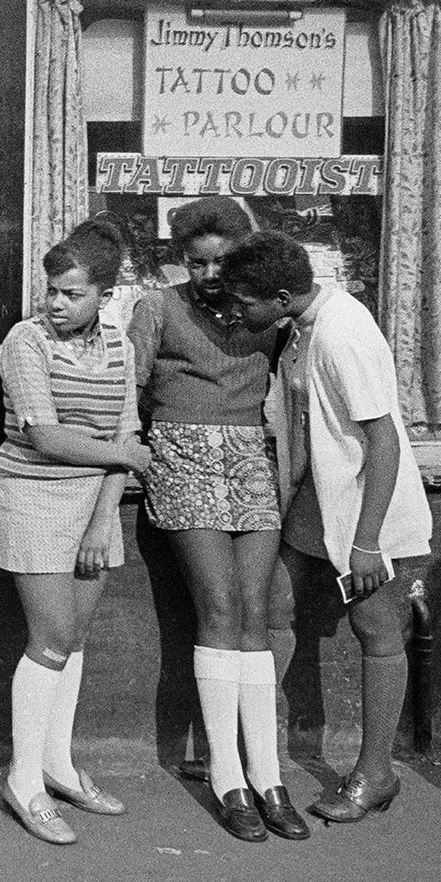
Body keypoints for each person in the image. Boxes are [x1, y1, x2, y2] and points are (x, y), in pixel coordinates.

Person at [220, 231, 433, 824]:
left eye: (246, 302)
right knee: (271, 611)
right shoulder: (302, 327)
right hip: (319, 499)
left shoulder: (343, 334)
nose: (238, 312)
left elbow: (384, 439)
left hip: (371, 508)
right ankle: (250, 752)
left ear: (282, 296)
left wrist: (366, 543)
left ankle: (376, 774)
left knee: (376, 631)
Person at [127, 198, 305, 842]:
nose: (207, 274)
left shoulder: (266, 316)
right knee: (220, 607)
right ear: (181, 261)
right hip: (183, 455)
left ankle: (269, 774)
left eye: (220, 261)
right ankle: (228, 775)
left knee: (257, 611)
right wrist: (137, 457)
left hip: (253, 458)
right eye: (195, 261)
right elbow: (132, 391)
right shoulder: (156, 309)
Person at [0, 218, 149, 845]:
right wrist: (126, 461)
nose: (56, 303)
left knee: (75, 638)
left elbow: (122, 435)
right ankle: (23, 781)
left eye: (72, 293)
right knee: (50, 635)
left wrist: (106, 513)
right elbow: (45, 437)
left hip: (94, 504)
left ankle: (58, 765)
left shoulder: (120, 347)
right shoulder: (24, 343)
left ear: (103, 295)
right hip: (34, 495)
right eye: (51, 290)